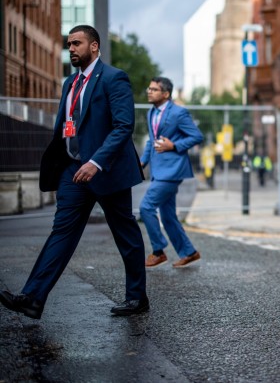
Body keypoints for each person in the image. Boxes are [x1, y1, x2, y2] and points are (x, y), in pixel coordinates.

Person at [0, 25, 149, 319]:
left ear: (94, 47)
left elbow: (123, 127)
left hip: (107, 171)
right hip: (73, 170)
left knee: (126, 235)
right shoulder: (70, 83)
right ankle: (32, 298)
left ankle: (137, 298)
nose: (71, 49)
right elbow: (68, 126)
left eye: (77, 43)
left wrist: (96, 162)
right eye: (69, 44)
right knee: (61, 233)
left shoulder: (113, 78)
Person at [141, 76, 204, 269]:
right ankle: (189, 252)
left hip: (172, 170)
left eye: (154, 89)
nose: (149, 91)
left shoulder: (179, 113)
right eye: (149, 88)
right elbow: (152, 141)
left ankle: (158, 251)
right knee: (167, 216)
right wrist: (142, 162)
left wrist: (174, 145)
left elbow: (196, 136)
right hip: (158, 170)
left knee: (146, 207)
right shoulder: (151, 113)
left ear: (166, 94)